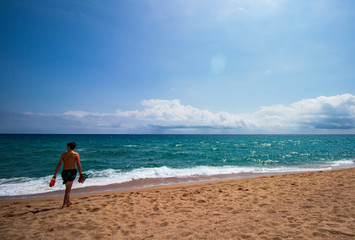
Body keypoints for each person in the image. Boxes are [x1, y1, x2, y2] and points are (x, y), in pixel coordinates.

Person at [52, 142, 83, 208]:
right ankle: (64, 204)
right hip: (72, 172)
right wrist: (80, 173)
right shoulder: (76, 154)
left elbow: (59, 164)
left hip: (65, 172)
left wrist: (55, 174)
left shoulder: (63, 155)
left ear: (69, 147)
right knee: (68, 189)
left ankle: (68, 202)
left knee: (67, 188)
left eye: (66, 146)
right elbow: (78, 164)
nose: (66, 147)